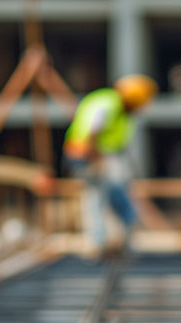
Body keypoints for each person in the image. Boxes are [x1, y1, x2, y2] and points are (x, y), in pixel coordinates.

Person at [63, 74, 157, 255]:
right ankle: (100, 243)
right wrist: (96, 158)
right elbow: (93, 130)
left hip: (101, 155)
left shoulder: (120, 109)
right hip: (89, 154)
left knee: (108, 196)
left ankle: (115, 241)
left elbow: (115, 140)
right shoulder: (109, 103)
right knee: (98, 197)